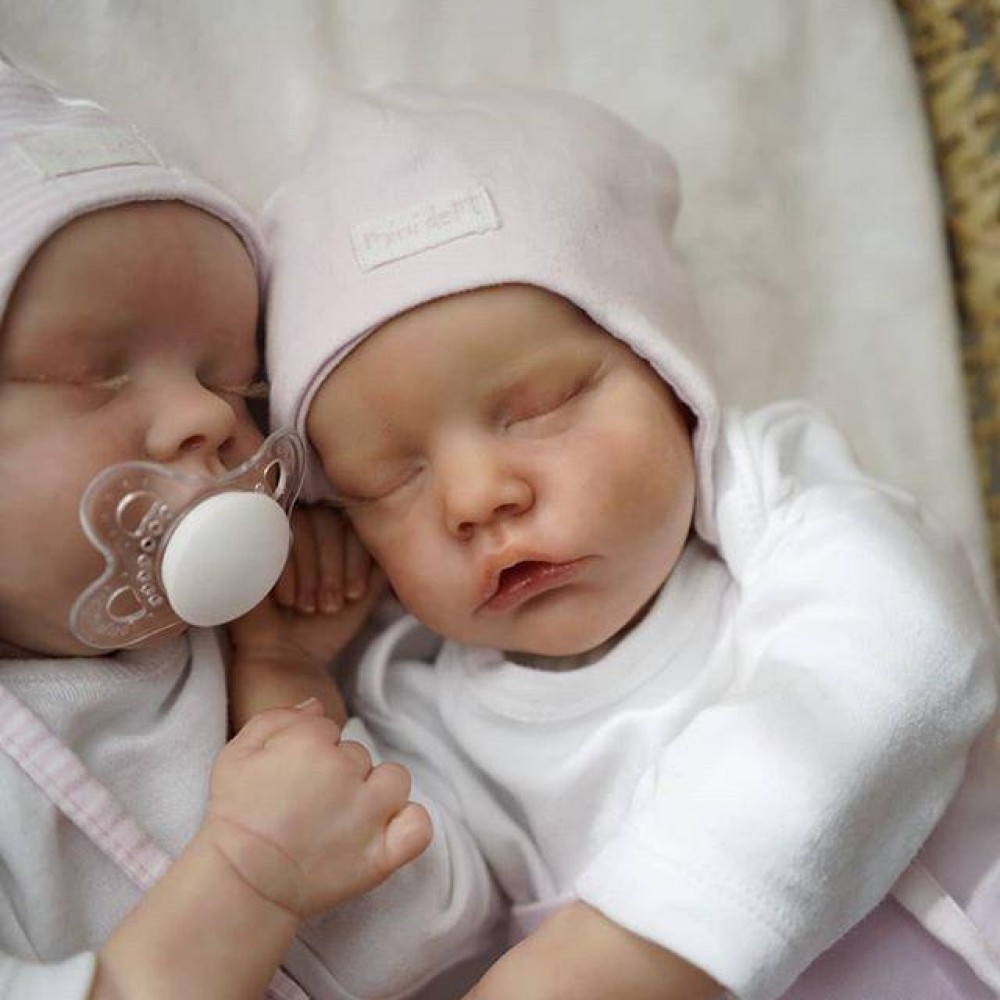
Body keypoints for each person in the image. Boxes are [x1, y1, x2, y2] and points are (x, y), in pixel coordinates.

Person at [256, 84, 1000, 999]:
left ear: (667, 373)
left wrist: (626, 948)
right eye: (389, 479)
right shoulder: (426, 715)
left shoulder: (775, 499)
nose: (475, 497)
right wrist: (287, 682)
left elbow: (902, 645)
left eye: (539, 408)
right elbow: (376, 941)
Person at [0, 60, 433, 1000]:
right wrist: (247, 878)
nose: (209, 418)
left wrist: (286, 673)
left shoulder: (235, 637)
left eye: (237, 384)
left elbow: (422, 919)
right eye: (97, 374)